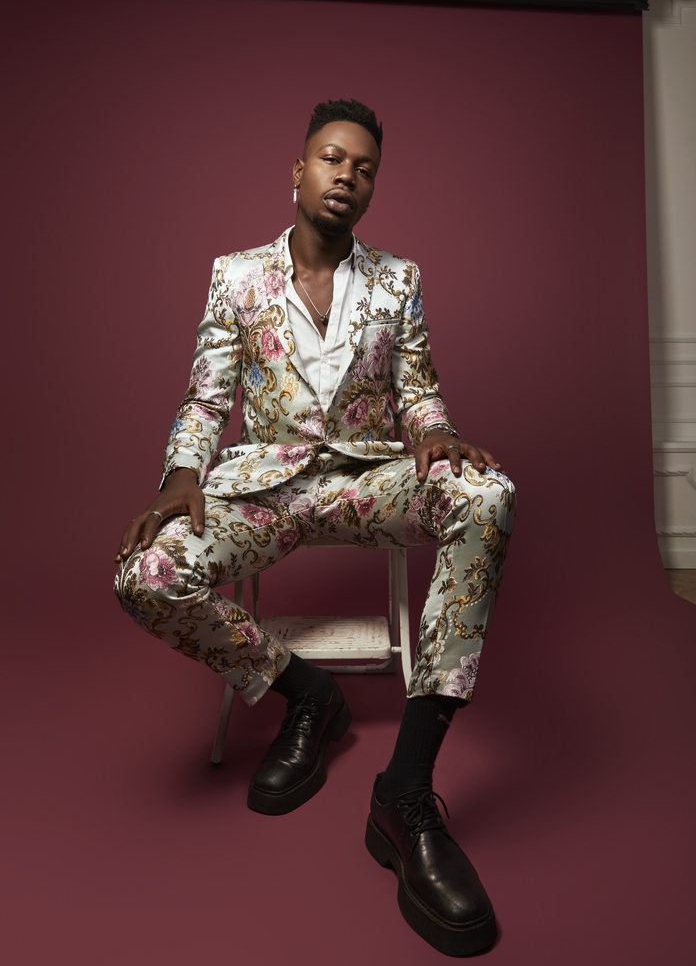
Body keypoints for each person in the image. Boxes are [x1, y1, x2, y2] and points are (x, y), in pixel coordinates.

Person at [115, 98, 515, 957]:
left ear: (372, 187)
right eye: (333, 159)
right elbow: (206, 398)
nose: (348, 176)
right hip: (268, 491)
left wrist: (436, 431)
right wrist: (180, 473)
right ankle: (305, 691)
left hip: (370, 482)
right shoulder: (235, 276)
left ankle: (406, 792)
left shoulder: (399, 280)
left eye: (365, 168)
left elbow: (419, 391)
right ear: (298, 171)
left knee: (489, 494)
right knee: (145, 574)